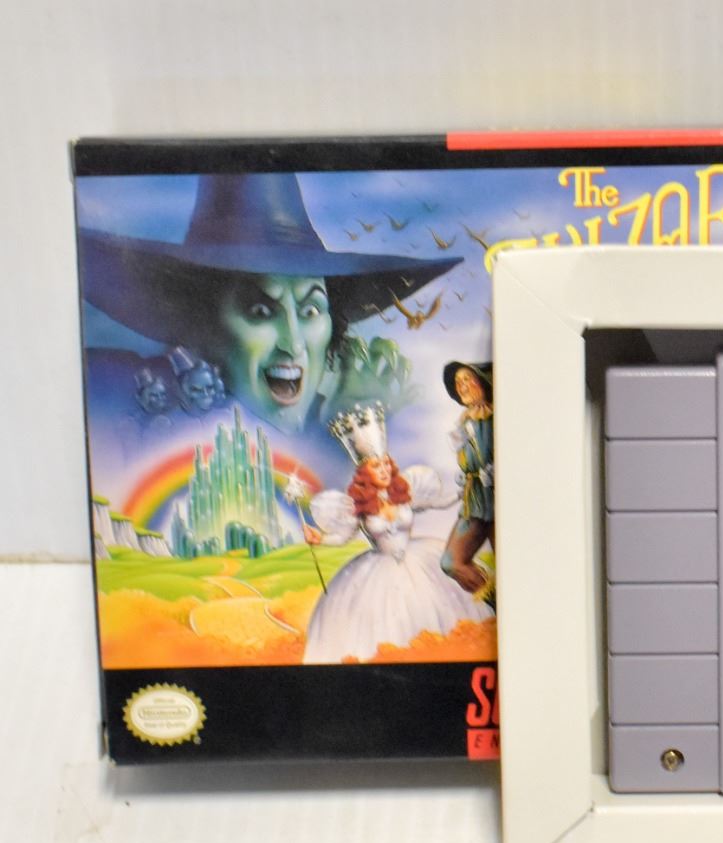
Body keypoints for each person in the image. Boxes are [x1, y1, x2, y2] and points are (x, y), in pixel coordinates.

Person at [79, 171, 458, 436]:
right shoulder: (119, 390)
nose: (293, 343)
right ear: (204, 322)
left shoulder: (348, 426)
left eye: (311, 310)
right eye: (261, 311)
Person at [301, 403, 495, 665]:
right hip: (379, 570)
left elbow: (438, 502)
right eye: (376, 466)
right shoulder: (359, 506)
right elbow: (343, 537)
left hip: (418, 558)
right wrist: (320, 539)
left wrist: (466, 491)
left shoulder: (402, 492)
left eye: (385, 464)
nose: (383, 470)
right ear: (364, 474)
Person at [440, 361, 495, 602]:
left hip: (499, 500)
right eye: (458, 382)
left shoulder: (496, 416)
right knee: (451, 562)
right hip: (475, 501)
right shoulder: (463, 423)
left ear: (481, 383)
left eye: (467, 379)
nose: (462, 386)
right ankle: (493, 599)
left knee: (508, 562)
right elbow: (468, 460)